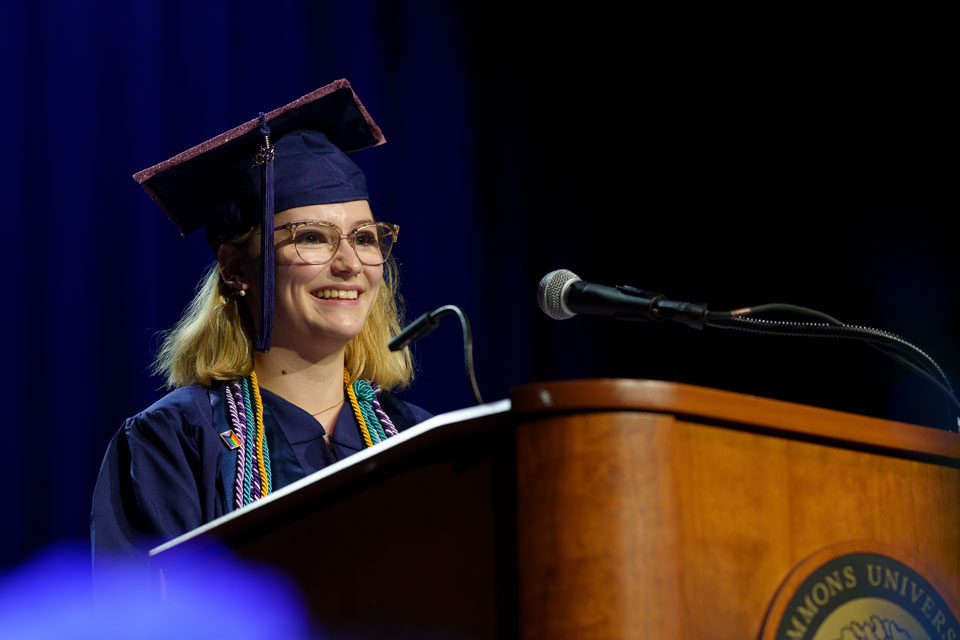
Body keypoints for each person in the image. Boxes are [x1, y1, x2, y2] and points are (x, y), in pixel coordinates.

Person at [91, 80, 431, 567]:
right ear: (234, 268)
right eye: (311, 237)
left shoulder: (417, 437)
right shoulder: (176, 442)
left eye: (365, 237)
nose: (349, 263)